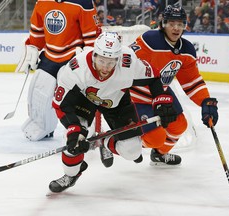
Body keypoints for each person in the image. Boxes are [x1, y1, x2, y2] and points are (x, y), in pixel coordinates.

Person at [48, 32, 177, 193]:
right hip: (83, 99)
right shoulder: (76, 68)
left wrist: (160, 102)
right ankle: (71, 174)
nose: (105, 67)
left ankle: (106, 142)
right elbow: (60, 105)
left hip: (116, 99)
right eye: (101, 60)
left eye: (110, 62)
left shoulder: (128, 62)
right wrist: (75, 130)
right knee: (72, 144)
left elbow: (154, 77)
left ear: (118, 58)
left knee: (132, 151)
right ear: (94, 55)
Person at [127, 4, 219, 166]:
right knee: (155, 138)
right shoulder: (150, 40)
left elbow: (192, 82)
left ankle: (159, 154)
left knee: (179, 126)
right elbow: (124, 63)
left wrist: (206, 101)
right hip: (138, 95)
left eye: (180, 24)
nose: (176, 28)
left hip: (162, 93)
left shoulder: (187, 50)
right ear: (163, 24)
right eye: (171, 23)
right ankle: (118, 144)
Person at [15, 0, 100, 141]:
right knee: (40, 90)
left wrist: (88, 57)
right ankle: (43, 126)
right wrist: (33, 48)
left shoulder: (83, 3)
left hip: (73, 56)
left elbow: (92, 36)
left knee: (74, 95)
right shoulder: (42, 2)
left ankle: (80, 128)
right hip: (49, 56)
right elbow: (38, 31)